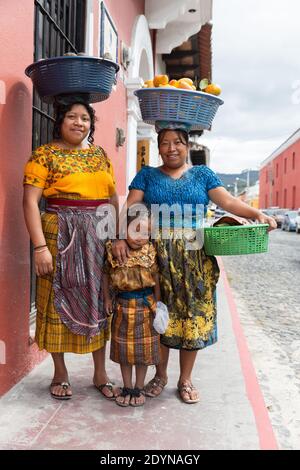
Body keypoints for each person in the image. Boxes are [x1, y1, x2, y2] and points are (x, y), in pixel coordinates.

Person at [112, 126, 277, 404]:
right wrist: (118, 236)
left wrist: (258, 213)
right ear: (159, 147)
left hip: (196, 255)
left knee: (192, 315)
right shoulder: (147, 175)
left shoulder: (202, 175)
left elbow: (227, 201)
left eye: (178, 142)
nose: (171, 148)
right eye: (165, 143)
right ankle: (160, 375)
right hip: (158, 257)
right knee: (159, 314)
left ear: (188, 146)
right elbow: (129, 206)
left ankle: (185, 379)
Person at [23, 97, 120, 400]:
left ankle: (100, 373)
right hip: (58, 231)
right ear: (60, 121)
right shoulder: (44, 154)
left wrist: (116, 236)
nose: (79, 123)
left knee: (100, 298)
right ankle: (60, 372)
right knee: (54, 299)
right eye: (72, 117)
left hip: (98, 234)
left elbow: (113, 198)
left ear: (91, 124)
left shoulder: (101, 155)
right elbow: (29, 201)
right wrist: (39, 247)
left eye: (85, 118)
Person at [103, 205, 161, 407]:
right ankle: (127, 386)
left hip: (147, 308)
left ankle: (138, 387)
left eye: (145, 232)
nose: (140, 237)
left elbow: (157, 280)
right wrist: (107, 299)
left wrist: (159, 305)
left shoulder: (151, 252)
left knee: (142, 352)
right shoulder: (114, 250)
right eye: (135, 230)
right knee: (124, 351)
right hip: (122, 307)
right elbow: (105, 275)